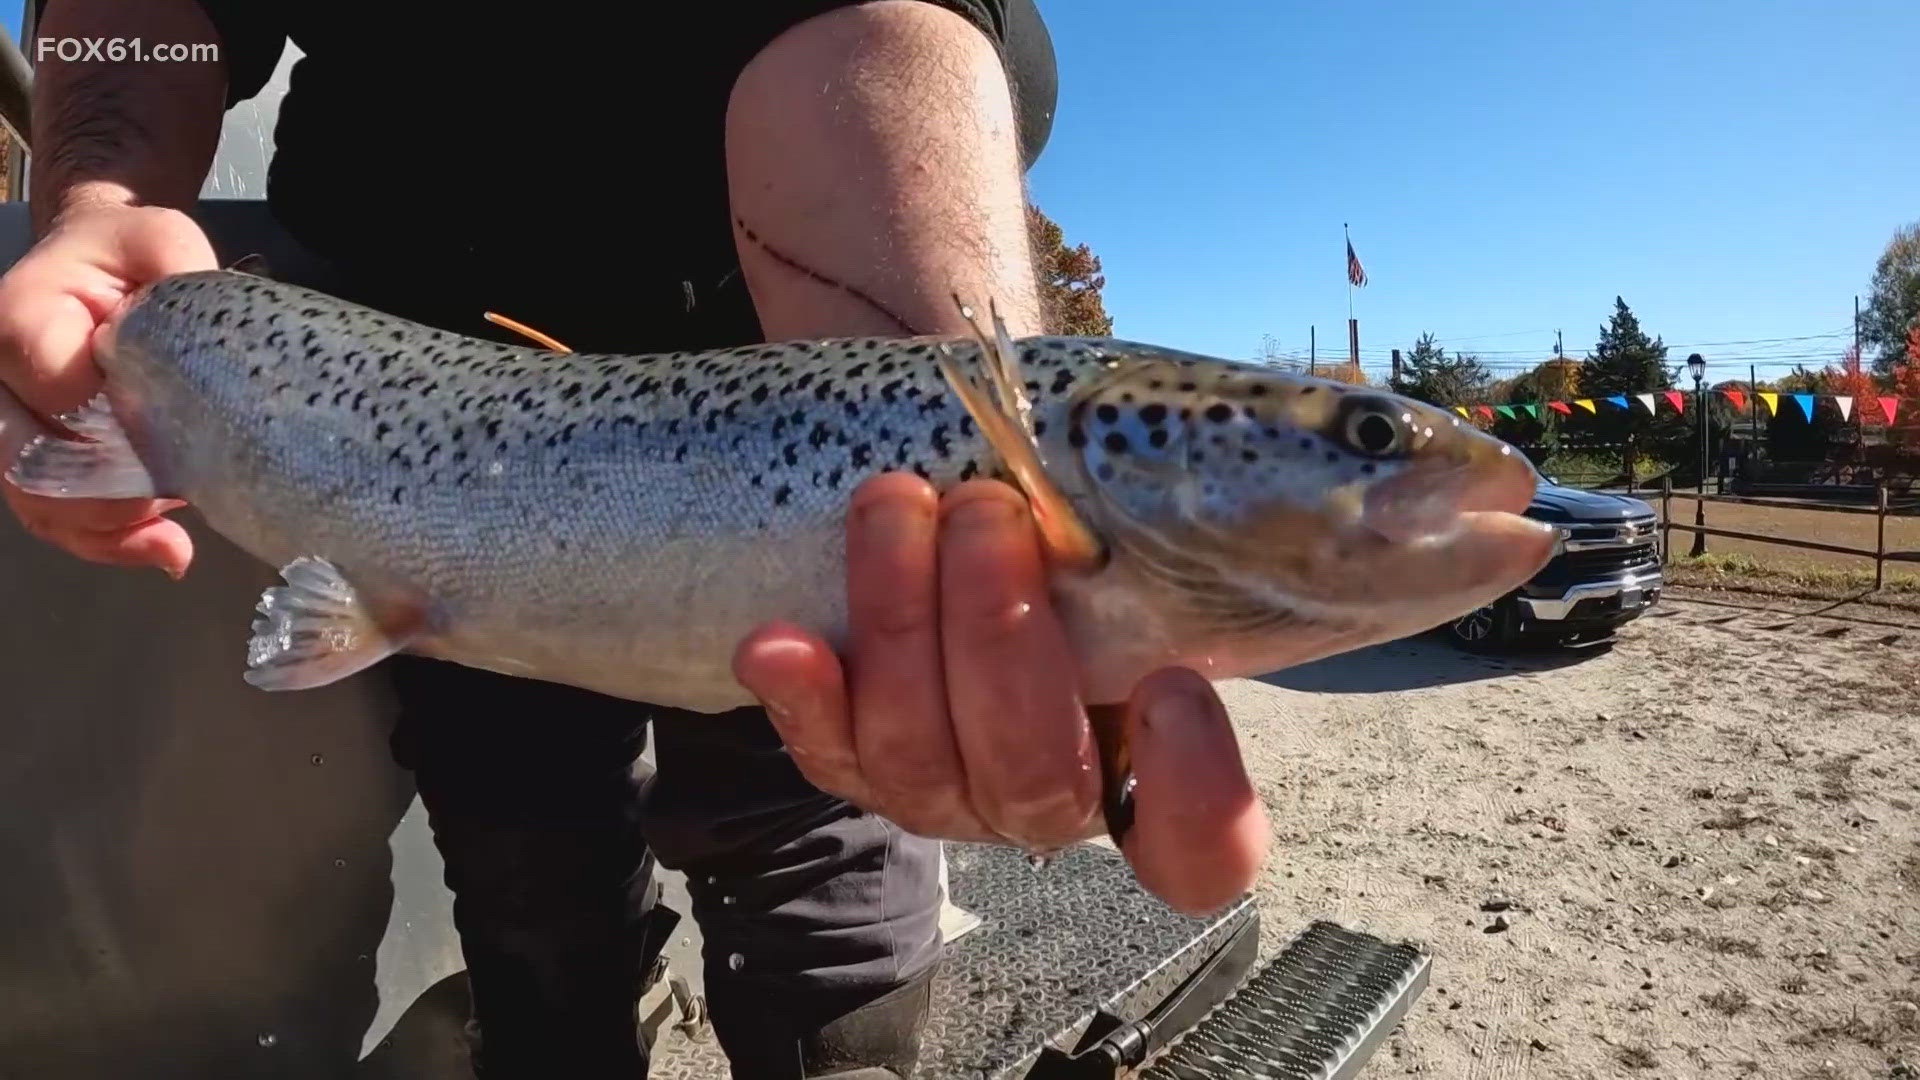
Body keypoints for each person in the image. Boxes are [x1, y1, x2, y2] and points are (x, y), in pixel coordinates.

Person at [0, 1, 1270, 1076]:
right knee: (522, 849)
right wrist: (99, 203)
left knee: (818, 835)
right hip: (424, 391)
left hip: (774, 349)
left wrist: (955, 446)